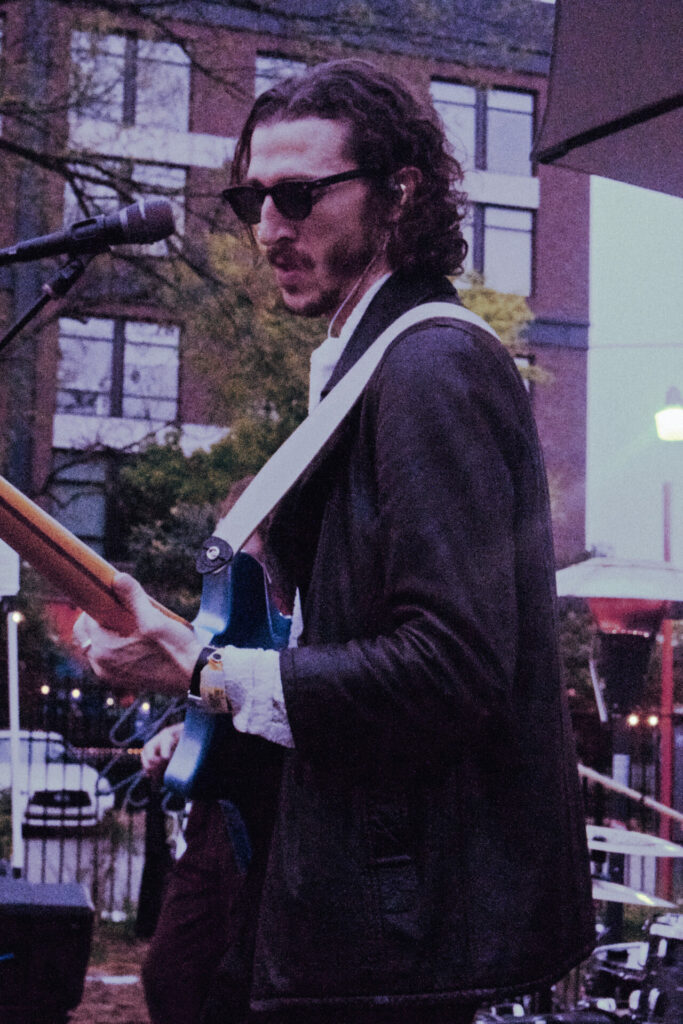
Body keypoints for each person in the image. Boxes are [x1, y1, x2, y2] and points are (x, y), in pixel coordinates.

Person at [74, 59, 595, 1024]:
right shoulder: (367, 367)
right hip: (352, 897)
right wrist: (184, 668)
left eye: (300, 195)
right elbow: (337, 649)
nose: (269, 228)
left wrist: (202, 670)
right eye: (253, 200)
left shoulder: (432, 366)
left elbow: (451, 667)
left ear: (400, 193)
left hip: (400, 928)